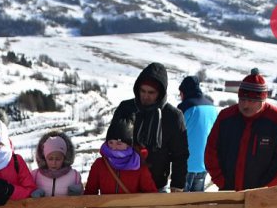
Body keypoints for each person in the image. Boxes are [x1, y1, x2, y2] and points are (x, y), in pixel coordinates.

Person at [205, 68, 277, 192]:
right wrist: (221, 181)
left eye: (252, 101)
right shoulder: (225, 117)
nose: (245, 105)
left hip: (261, 196)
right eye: (242, 99)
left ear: (263, 100)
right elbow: (211, 151)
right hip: (227, 191)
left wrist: (266, 188)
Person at [109, 62, 188, 192]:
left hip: (157, 184)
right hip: (125, 181)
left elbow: (180, 154)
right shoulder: (126, 108)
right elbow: (111, 142)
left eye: (151, 92)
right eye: (142, 91)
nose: (145, 96)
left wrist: (177, 185)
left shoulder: (173, 116)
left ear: (161, 93)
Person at [84, 119, 159, 195]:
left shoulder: (138, 165)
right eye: (111, 142)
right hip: (105, 206)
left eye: (119, 143)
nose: (113, 147)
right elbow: (89, 193)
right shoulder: (99, 164)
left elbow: (151, 196)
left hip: (131, 206)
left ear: (128, 145)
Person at [178, 76, 220, 192]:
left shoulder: (185, 107)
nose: (180, 97)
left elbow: (175, 134)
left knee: (181, 202)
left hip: (186, 163)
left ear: (184, 92)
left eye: (180, 93)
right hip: (205, 161)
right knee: (197, 201)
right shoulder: (212, 107)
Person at [30, 130, 84, 197]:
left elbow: (82, 201)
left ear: (64, 158)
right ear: (44, 158)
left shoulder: (74, 176)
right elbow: (25, 198)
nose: (54, 163)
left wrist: (78, 194)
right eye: (50, 159)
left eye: (58, 159)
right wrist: (31, 193)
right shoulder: (35, 175)